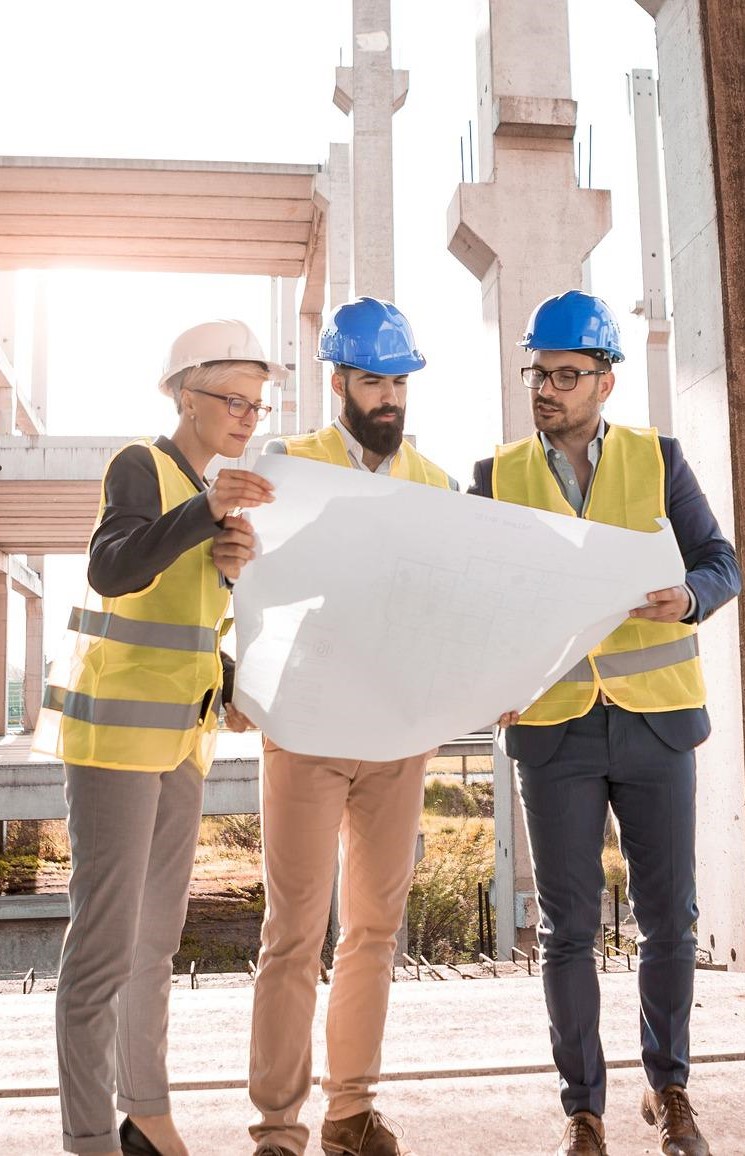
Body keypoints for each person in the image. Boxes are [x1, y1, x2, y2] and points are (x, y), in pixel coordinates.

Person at [467, 291, 740, 1156]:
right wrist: (488, 679)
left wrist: (688, 596)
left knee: (669, 920)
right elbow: (474, 599)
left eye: (564, 374)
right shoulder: (495, 475)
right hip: (554, 730)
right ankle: (582, 1109)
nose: (544, 388)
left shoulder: (657, 460)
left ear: (605, 382)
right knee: (568, 930)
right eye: (536, 373)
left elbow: (720, 562)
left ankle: (669, 1091)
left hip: (655, 724)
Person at [39, 319, 281, 1156]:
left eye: (258, 403)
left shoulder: (207, 490)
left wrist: (225, 574)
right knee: (102, 948)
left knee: (153, 942)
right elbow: (112, 568)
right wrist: (203, 513)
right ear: (185, 394)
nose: (248, 415)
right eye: (232, 399)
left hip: (182, 741)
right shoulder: (139, 464)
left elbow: (183, 621)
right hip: (113, 741)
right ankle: (86, 1138)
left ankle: (145, 1112)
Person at [227, 297, 452, 1156]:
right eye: (371, 380)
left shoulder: (433, 485)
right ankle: (278, 1128)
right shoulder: (291, 464)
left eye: (398, 382)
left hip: (396, 735)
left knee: (372, 932)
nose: (388, 397)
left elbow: (452, 604)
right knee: (291, 934)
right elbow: (253, 582)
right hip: (309, 731)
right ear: (338, 384)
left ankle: (349, 1112)